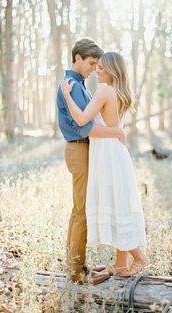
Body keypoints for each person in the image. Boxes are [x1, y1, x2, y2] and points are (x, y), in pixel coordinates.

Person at [62, 51, 150, 277]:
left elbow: (82, 119)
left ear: (111, 70)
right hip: (114, 152)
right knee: (118, 205)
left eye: (101, 67)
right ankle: (120, 266)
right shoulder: (118, 92)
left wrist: (67, 95)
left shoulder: (104, 91)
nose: (96, 71)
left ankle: (140, 258)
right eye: (96, 66)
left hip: (109, 155)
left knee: (116, 205)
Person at [57, 39, 126, 284]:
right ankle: (76, 273)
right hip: (79, 149)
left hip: (85, 151)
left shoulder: (81, 85)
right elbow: (86, 127)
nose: (94, 68)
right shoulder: (73, 85)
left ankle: (79, 266)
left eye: (98, 64)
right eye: (91, 63)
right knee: (81, 211)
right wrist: (116, 132)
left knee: (83, 209)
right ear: (77, 58)